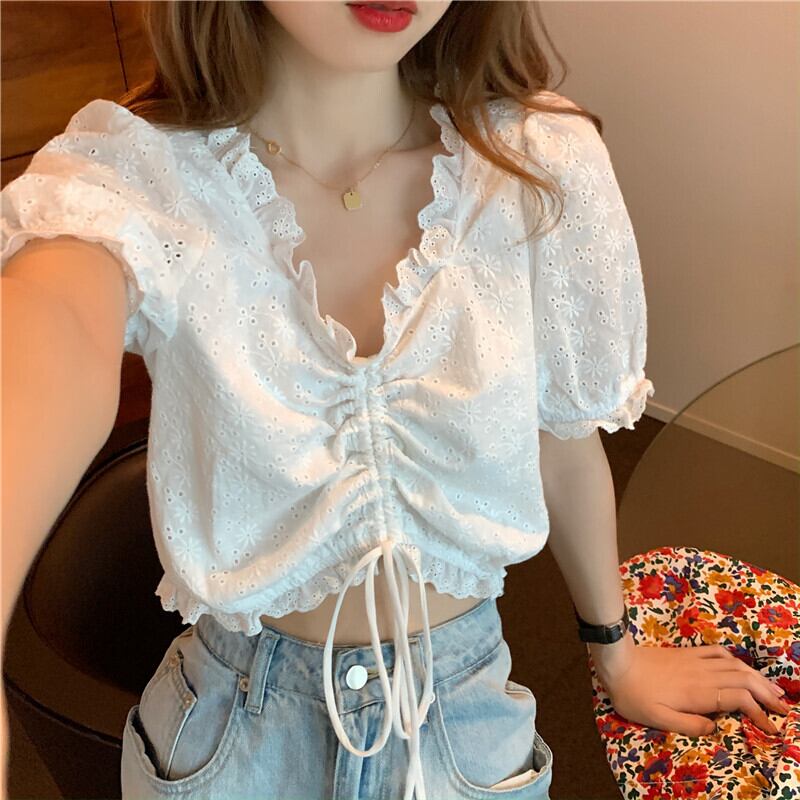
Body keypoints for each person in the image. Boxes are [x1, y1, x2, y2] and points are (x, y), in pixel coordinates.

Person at [1, 2, 789, 798]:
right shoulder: (142, 183)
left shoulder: (537, 164)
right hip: (233, 742)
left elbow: (560, 438)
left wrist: (615, 651)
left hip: (464, 724)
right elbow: (53, 320)